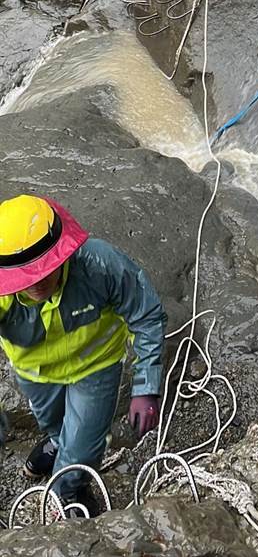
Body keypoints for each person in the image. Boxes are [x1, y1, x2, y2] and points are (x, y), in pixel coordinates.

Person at [0, 194, 166, 518]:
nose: (37, 283)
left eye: (45, 270)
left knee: (81, 450)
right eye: (27, 276)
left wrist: (147, 386)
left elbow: (146, 315)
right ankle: (56, 442)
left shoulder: (99, 264)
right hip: (36, 374)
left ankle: (69, 491)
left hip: (95, 368)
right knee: (53, 424)